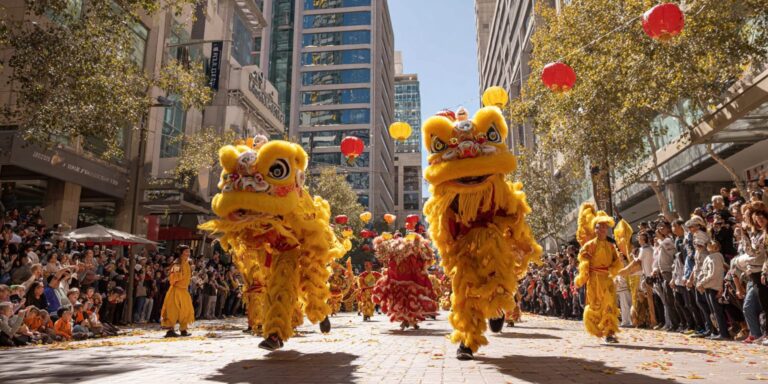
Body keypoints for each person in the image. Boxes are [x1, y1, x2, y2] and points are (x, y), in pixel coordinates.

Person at [575, 207, 623, 343]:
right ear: (595, 229)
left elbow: (616, 262)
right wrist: (582, 278)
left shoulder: (611, 246)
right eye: (599, 227)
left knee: (609, 305)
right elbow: (584, 262)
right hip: (594, 281)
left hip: (607, 280)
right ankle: (598, 330)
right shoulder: (589, 245)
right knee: (596, 306)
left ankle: (609, 333)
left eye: (604, 227)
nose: (602, 230)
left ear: (607, 229)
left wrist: (613, 269)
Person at [697, 240, 730, 340]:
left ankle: (724, 333)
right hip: (709, 286)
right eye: (708, 245)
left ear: (717, 247)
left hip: (714, 287)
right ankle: (718, 331)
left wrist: (702, 282)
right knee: (714, 311)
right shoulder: (710, 256)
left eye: (712, 245)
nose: (709, 246)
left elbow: (715, 273)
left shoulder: (716, 256)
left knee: (717, 311)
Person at [160, 245, 194, 338]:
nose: (188, 253)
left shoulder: (187, 263)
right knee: (173, 311)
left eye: (189, 251)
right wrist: (180, 275)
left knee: (186, 310)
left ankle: (183, 329)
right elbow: (173, 278)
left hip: (184, 290)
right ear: (181, 253)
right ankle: (170, 331)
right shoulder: (177, 264)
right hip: (176, 290)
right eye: (186, 251)